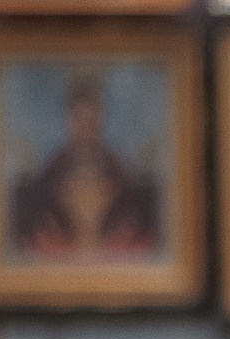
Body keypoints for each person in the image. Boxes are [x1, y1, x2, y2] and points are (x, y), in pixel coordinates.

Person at [10, 75, 158, 259]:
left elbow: (137, 231)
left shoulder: (122, 176)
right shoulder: (47, 178)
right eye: (79, 119)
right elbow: (33, 234)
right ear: (68, 120)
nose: (86, 127)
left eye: (92, 119)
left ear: (101, 120)